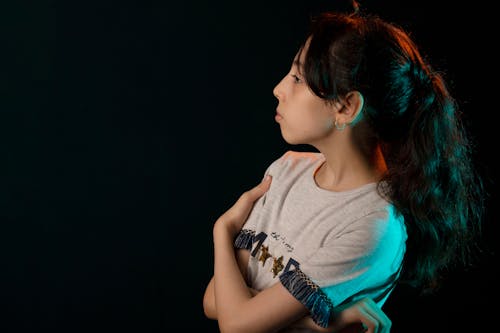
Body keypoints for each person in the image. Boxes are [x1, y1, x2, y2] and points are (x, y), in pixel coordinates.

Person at [203, 2, 484, 332]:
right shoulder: (286, 170)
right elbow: (214, 300)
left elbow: (236, 324)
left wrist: (222, 231)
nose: (278, 88)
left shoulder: (372, 228)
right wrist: (323, 323)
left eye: (298, 78)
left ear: (346, 107)